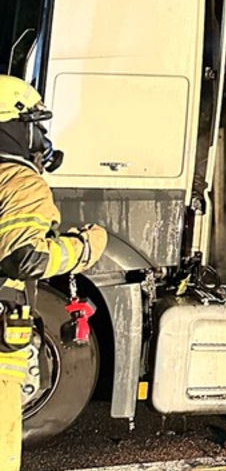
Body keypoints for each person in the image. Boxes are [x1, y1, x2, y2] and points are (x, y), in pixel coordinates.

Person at [0, 76, 107, 471]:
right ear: (15, 126)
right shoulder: (19, 181)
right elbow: (24, 259)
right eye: (34, 124)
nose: (40, 137)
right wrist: (84, 248)